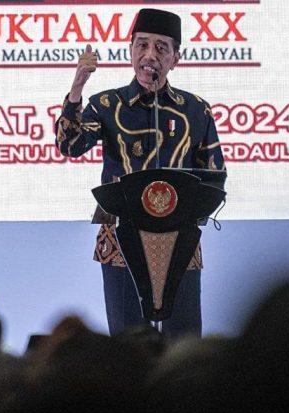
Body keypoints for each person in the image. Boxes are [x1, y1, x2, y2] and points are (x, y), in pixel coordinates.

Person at [55, 8, 226, 339]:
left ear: (176, 58)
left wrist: (186, 218)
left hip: (180, 239)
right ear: (130, 50)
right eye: (142, 45)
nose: (150, 56)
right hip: (121, 238)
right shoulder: (107, 104)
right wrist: (76, 89)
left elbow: (214, 174)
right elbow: (69, 145)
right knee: (127, 343)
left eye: (161, 48)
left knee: (182, 342)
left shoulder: (196, 110)